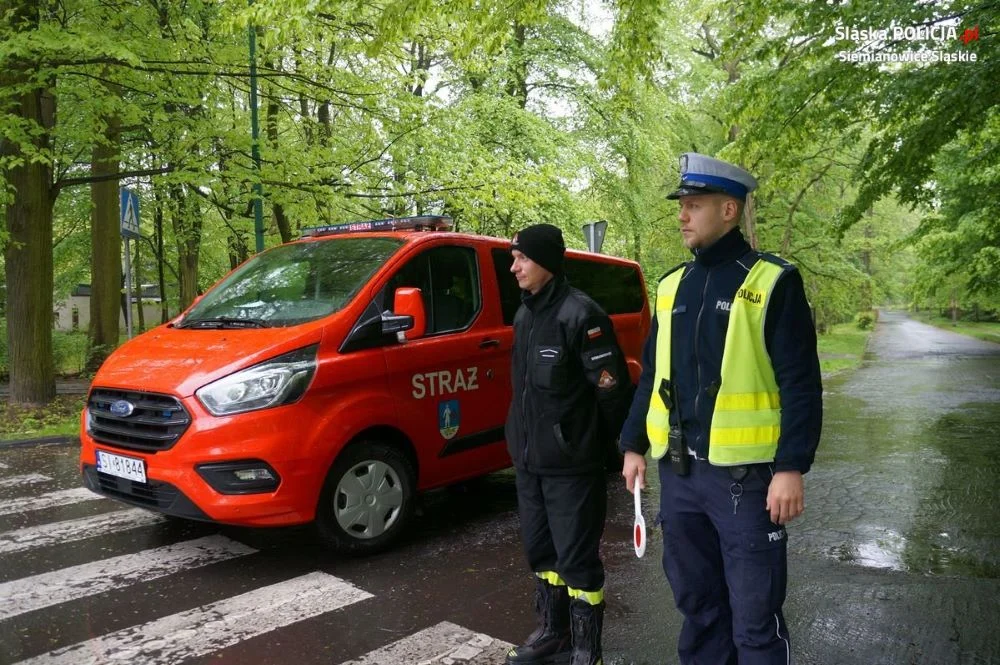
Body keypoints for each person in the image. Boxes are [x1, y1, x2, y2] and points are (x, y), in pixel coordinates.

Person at [619, 154, 823, 665]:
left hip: (746, 482)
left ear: (729, 210)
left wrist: (791, 466)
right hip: (680, 478)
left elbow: (800, 383)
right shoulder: (671, 286)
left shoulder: (773, 281)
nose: (682, 215)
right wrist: (632, 445)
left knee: (754, 621)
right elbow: (653, 375)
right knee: (699, 609)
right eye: (682, 205)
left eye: (694, 205)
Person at [505, 223, 633, 665]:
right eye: (514, 258)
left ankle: (585, 650)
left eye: (522, 258)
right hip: (529, 461)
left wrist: (602, 448)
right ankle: (553, 634)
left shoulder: (582, 315)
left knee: (577, 562)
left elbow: (612, 392)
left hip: (571, 466)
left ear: (545, 261)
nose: (514, 267)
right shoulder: (524, 316)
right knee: (541, 553)